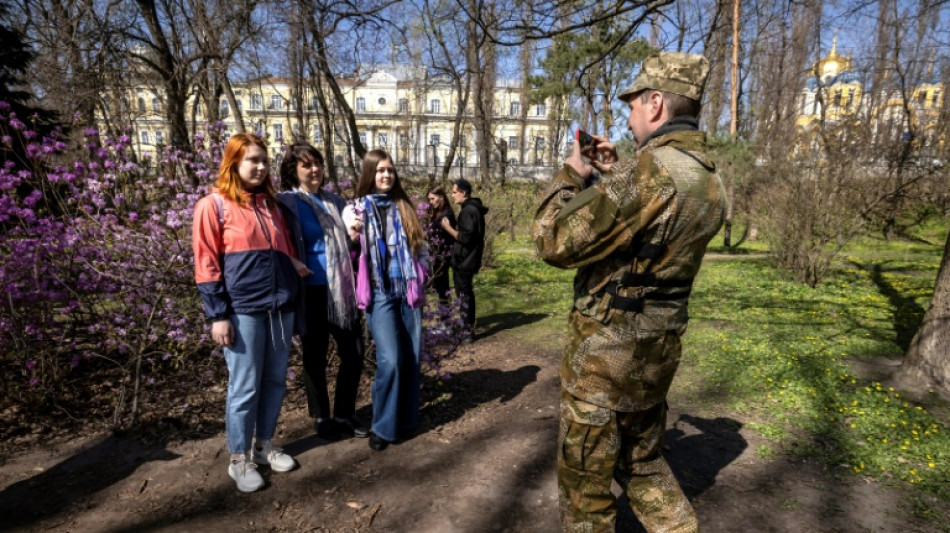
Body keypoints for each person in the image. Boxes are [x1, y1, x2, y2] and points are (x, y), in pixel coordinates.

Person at [533, 52, 725, 532]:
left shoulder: (653, 173)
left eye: (635, 104)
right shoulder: (708, 176)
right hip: (655, 354)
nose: (629, 115)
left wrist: (572, 175)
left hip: (605, 362)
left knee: (585, 492)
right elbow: (651, 244)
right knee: (644, 464)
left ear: (657, 103)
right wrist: (619, 175)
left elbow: (553, 240)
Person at [193, 133, 312, 493]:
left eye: (264, 160)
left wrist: (291, 262)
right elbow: (206, 263)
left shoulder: (273, 206)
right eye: (252, 161)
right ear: (233, 163)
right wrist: (218, 315)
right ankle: (238, 459)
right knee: (244, 388)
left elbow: (280, 249)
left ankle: (264, 447)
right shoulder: (213, 206)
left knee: (275, 381)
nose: (260, 167)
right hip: (243, 310)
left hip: (279, 308)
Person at [277, 142, 368, 442]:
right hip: (310, 291)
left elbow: (349, 243)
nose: (314, 169)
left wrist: (354, 234)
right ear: (294, 170)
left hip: (341, 290)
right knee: (314, 357)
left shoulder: (336, 202)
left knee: (353, 353)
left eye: (317, 163)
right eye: (306, 165)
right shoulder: (286, 203)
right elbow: (276, 241)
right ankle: (320, 416)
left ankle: (344, 412)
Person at [342, 149, 429, 452]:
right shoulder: (355, 209)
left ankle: (405, 419)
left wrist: (423, 274)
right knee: (390, 360)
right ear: (369, 173)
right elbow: (350, 252)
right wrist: (351, 239)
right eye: (380, 170)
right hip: (379, 292)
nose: (386, 175)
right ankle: (382, 426)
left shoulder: (405, 207)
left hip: (408, 290)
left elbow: (420, 247)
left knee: (410, 358)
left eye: (390, 170)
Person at [440, 178, 487, 342]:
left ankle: (467, 332)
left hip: (465, 260)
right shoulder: (471, 209)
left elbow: (465, 238)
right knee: (465, 293)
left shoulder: (469, 211)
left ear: (463, 193)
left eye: (454, 192)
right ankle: (466, 328)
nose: (452, 196)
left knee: (464, 295)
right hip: (466, 259)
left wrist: (448, 229)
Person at [425, 186, 456, 303]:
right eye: (429, 200)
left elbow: (446, 234)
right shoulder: (437, 213)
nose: (430, 202)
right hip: (436, 255)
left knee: (442, 287)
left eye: (433, 199)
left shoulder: (446, 214)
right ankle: (445, 315)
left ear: (441, 197)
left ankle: (446, 316)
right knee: (439, 287)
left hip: (443, 256)